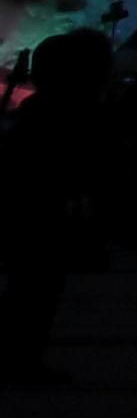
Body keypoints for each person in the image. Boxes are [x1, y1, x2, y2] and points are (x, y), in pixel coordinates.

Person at [1, 29, 112, 387]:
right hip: (41, 213)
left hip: (33, 211)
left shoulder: (36, 114)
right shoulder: (62, 118)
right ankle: (22, 359)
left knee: (31, 289)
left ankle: (22, 356)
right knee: (36, 289)